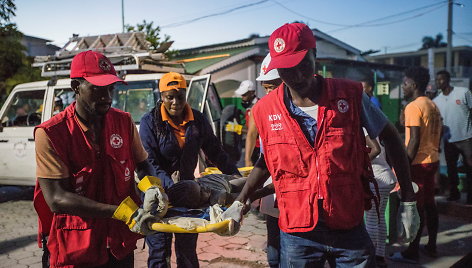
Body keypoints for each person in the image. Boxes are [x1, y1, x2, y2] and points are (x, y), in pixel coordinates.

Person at [224, 23, 419, 267]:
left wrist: (408, 200)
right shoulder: (265, 110)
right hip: (297, 231)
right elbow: (267, 161)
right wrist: (240, 201)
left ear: (315, 56)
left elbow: (390, 137)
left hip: (348, 224)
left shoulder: (349, 95)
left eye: (302, 64)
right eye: (285, 69)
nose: (295, 75)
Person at [33, 50, 167, 268]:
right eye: (96, 89)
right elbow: (56, 199)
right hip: (75, 249)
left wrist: (151, 187)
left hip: (118, 244)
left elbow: (143, 164)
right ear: (76, 87)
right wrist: (121, 212)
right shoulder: (51, 133)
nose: (106, 96)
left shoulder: (123, 122)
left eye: (110, 88)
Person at [139, 72, 241, 268]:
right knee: (159, 253)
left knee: (187, 252)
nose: (176, 102)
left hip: (187, 195)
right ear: (161, 96)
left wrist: (234, 174)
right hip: (159, 194)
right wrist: (169, 189)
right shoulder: (149, 122)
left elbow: (215, 151)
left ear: (186, 95)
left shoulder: (198, 120)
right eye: (170, 97)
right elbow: (150, 162)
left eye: (180, 96)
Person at [391, 66, 442, 263]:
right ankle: (432, 246)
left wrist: (404, 167)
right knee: (430, 205)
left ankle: (411, 252)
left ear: (413, 84)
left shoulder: (413, 106)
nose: (403, 87)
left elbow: (413, 141)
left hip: (418, 164)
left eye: (404, 83)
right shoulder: (432, 104)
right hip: (432, 160)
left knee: (416, 208)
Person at [244, 53, 283, 267]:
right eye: (266, 88)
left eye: (273, 87)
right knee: (274, 243)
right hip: (271, 189)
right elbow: (264, 157)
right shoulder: (264, 110)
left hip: (296, 200)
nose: (269, 93)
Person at [434, 70, 472, 204]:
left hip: (466, 138)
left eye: (441, 79)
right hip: (449, 140)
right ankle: (454, 193)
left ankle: (470, 196)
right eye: (437, 80)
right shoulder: (436, 101)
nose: (438, 82)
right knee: (451, 168)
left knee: (470, 167)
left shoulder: (463, 92)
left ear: (448, 80)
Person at [363, 130, 397, 267]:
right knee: (379, 217)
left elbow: (375, 150)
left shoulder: (363, 128)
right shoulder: (374, 128)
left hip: (377, 179)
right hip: (386, 176)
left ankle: (370, 258)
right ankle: (379, 255)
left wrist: (360, 163)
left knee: (371, 219)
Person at [235, 79, 260, 165]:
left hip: (259, 148)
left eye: (244, 95)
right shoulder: (249, 107)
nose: (242, 97)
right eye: (242, 95)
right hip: (253, 146)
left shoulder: (257, 106)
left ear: (252, 92)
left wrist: (239, 129)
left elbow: (254, 132)